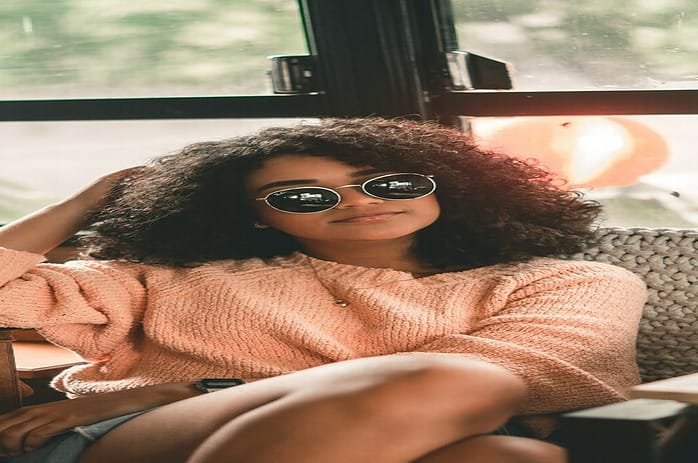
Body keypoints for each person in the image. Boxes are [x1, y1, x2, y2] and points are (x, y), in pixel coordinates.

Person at [0, 117, 647, 463]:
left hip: (418, 439)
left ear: (443, 184)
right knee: (461, 380)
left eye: (387, 182)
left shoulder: (572, 281)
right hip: (141, 434)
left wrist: (198, 383)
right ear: (258, 215)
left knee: (510, 457)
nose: (360, 202)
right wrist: (86, 201)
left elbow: (536, 378)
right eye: (305, 195)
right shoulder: (166, 279)